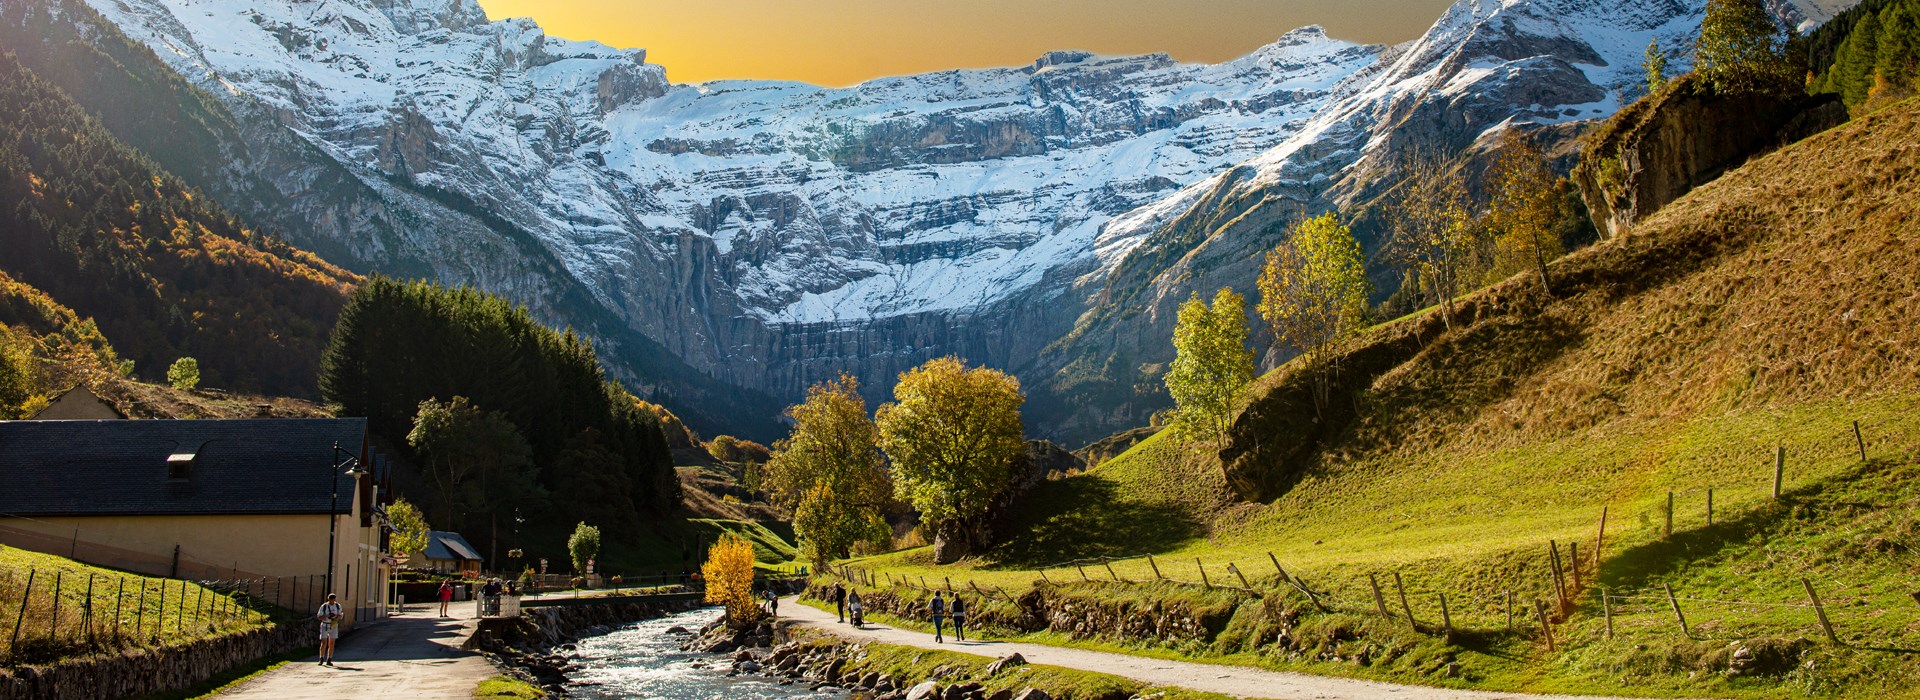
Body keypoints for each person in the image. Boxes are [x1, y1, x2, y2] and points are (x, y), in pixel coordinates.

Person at [316, 593, 344, 666]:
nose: (331, 601)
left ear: (334, 599)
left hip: (334, 625)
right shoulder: (324, 606)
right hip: (325, 624)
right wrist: (325, 616)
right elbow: (319, 616)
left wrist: (336, 617)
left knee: (332, 643)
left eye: (333, 600)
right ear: (328, 599)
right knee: (323, 642)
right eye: (330, 600)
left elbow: (341, 615)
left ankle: (329, 659)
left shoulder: (337, 606)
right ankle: (321, 658)